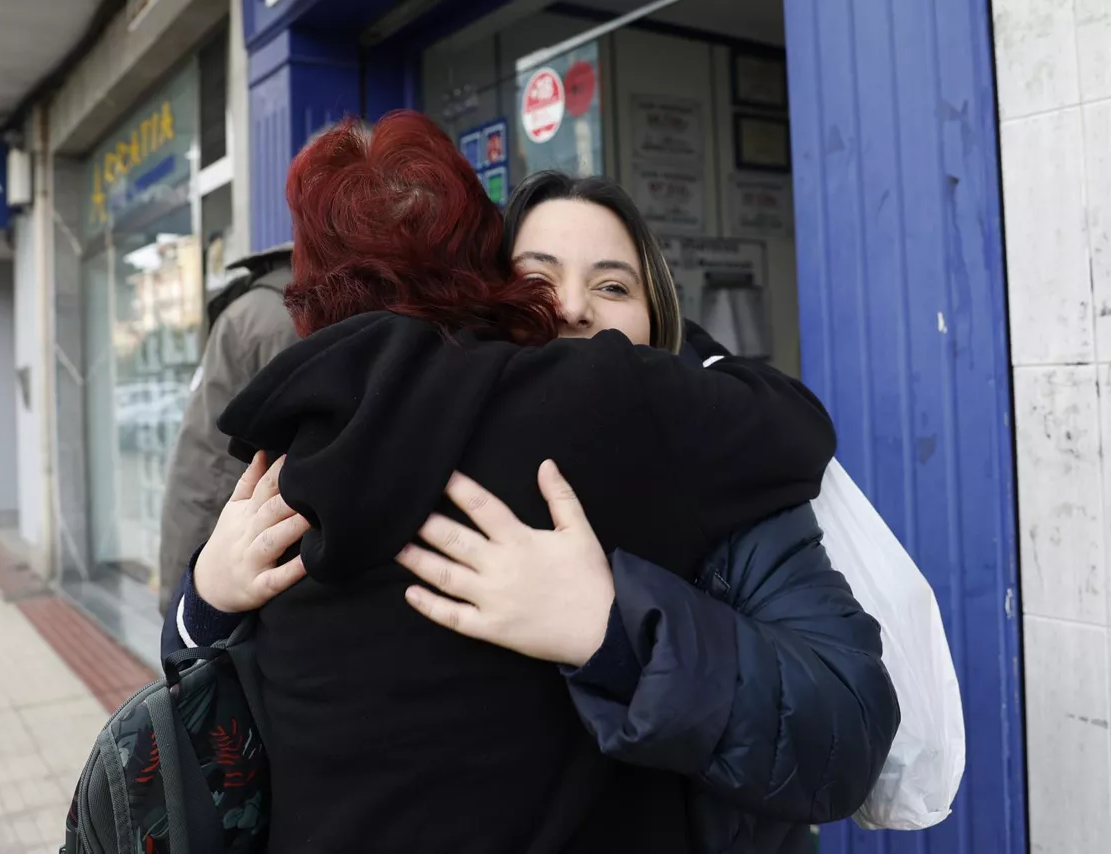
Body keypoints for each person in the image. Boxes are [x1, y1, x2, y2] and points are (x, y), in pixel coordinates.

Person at [169, 116, 898, 853]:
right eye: (537, 280)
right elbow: (216, 701)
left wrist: (614, 632)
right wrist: (205, 597)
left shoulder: (713, 472)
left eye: (613, 284)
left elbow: (847, 732)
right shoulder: (302, 472)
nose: (574, 307)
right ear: (489, 293)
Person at [156, 243, 298, 610]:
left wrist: (178, 591)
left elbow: (203, 460)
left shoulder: (253, 314)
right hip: (247, 558)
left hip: (237, 558)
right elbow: (212, 464)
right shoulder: (286, 321)